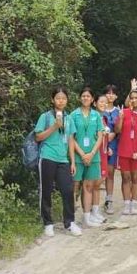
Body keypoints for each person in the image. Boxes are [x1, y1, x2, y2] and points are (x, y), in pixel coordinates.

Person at [35, 87, 82, 237]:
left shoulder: (69, 118)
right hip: (47, 157)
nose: (61, 101)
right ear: (52, 100)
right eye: (58, 98)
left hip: (63, 159)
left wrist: (72, 161)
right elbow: (38, 137)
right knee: (46, 190)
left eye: (63, 98)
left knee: (68, 190)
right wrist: (54, 126)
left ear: (67, 100)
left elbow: (71, 140)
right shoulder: (45, 117)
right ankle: (48, 223)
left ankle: (70, 222)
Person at [71, 87, 105, 228]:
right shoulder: (74, 115)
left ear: (92, 99)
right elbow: (71, 138)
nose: (85, 98)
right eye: (83, 96)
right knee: (75, 186)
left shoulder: (96, 115)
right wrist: (82, 154)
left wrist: (91, 153)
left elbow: (100, 136)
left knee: (89, 186)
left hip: (93, 156)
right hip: (78, 156)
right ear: (80, 98)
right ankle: (70, 218)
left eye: (88, 96)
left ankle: (87, 217)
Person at [116, 85, 137, 215]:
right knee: (125, 177)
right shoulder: (124, 112)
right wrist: (121, 118)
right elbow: (117, 130)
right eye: (132, 98)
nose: (134, 100)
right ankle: (126, 203)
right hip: (124, 149)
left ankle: (134, 203)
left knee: (136, 178)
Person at [102, 85, 121, 215]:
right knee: (98, 174)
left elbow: (121, 129)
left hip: (113, 145)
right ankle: (91, 203)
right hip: (100, 144)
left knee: (110, 172)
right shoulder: (99, 109)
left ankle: (109, 200)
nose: (110, 95)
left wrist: (115, 133)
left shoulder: (118, 111)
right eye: (108, 93)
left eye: (113, 93)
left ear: (116, 96)